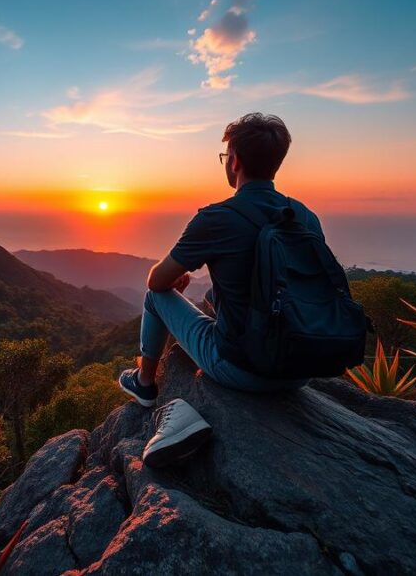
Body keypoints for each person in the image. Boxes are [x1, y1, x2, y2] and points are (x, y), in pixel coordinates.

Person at [118, 113, 325, 467]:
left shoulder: (216, 217)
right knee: (214, 296)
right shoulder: (305, 216)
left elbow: (155, 281)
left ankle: (145, 384)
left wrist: (173, 279)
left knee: (156, 298)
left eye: (226, 157)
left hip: (240, 368)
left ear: (235, 162)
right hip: (300, 369)